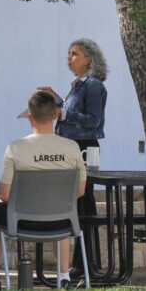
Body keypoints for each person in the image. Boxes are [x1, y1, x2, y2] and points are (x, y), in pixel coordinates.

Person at [0, 91, 87, 291]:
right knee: (61, 206)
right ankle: (64, 277)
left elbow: (3, 195)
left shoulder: (15, 148)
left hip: (21, 221)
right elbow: (80, 190)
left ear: (29, 117)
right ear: (56, 115)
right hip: (60, 221)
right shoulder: (72, 148)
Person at [39, 38, 108, 271]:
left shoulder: (93, 85)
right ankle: (82, 262)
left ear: (88, 58)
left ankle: (88, 262)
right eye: (69, 54)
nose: (69, 58)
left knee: (84, 201)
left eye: (74, 54)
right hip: (73, 147)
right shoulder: (78, 85)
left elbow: (93, 121)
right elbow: (71, 111)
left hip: (86, 148)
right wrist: (58, 99)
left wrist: (63, 113)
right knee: (76, 202)